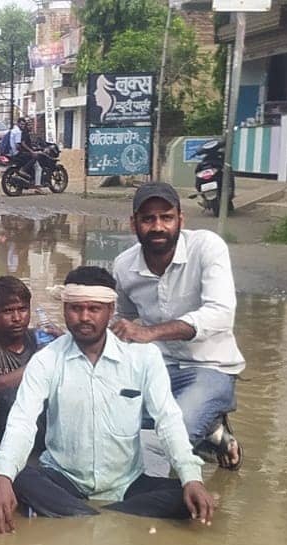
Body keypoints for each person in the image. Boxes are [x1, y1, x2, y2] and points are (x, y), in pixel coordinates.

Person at [0, 267, 216, 533]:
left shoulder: (143, 357)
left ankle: (83, 516)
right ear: (64, 308)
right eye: (75, 308)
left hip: (127, 485)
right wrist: (3, 478)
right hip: (63, 478)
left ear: (111, 309)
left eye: (94, 309)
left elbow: (168, 420)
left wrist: (191, 477)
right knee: (15, 476)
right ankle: (107, 520)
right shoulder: (47, 360)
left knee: (193, 496)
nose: (84, 317)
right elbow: (22, 422)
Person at [110, 181, 244, 469]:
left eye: (166, 217)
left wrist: (150, 332)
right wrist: (80, 329)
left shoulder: (207, 247)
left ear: (181, 220)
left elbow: (221, 314)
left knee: (174, 432)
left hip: (211, 366)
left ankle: (205, 431)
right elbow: (119, 318)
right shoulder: (123, 265)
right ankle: (213, 434)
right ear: (134, 224)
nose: (157, 226)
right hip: (157, 366)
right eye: (148, 219)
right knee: (114, 420)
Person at [0, 275, 56, 452]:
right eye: (8, 311)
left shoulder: (42, 339)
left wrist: (66, 342)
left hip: (40, 421)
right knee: (9, 399)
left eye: (23, 309)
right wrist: (39, 362)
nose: (17, 318)